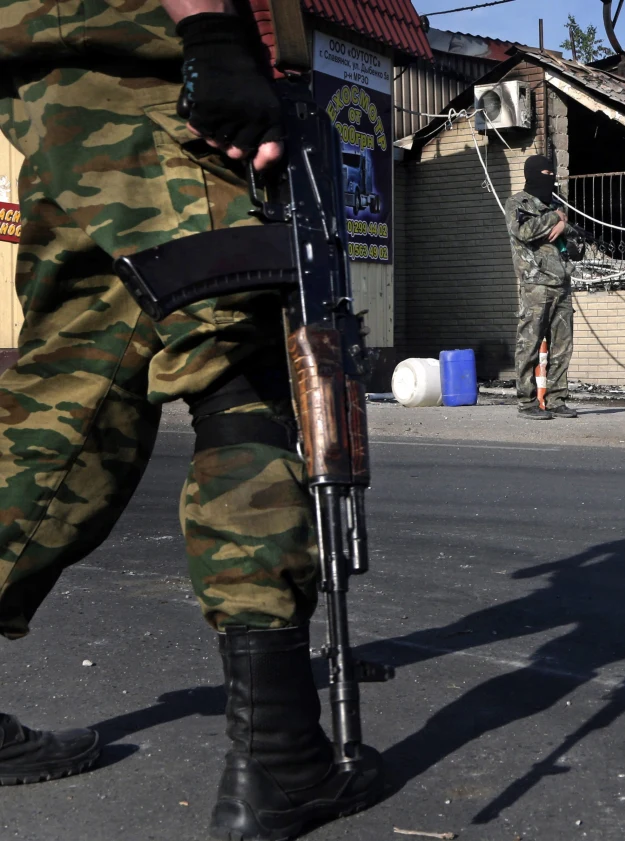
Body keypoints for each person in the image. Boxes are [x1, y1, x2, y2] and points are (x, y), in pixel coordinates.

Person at [0, 2, 380, 839]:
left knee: (62, 416)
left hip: (59, 106)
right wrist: (210, 31)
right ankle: (281, 759)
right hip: (166, 94)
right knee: (242, 393)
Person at [505, 155, 577, 420]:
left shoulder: (556, 205)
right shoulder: (517, 203)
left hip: (562, 284)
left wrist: (565, 226)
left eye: (552, 172)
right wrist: (555, 218)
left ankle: (557, 399)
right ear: (533, 173)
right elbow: (523, 233)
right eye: (545, 172)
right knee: (530, 344)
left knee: (562, 346)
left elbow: (575, 246)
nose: (550, 177)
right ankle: (527, 402)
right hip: (535, 284)